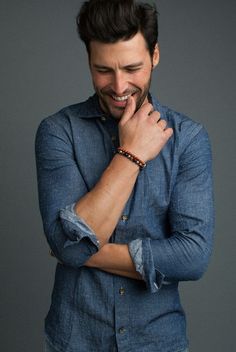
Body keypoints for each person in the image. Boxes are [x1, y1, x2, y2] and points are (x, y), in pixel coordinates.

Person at [35, 1, 214, 351]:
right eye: (104, 70)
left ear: (155, 55)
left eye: (132, 68)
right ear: (88, 60)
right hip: (75, 342)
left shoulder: (188, 138)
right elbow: (66, 246)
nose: (119, 86)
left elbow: (193, 256)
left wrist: (79, 249)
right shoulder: (58, 132)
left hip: (159, 342)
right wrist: (130, 156)